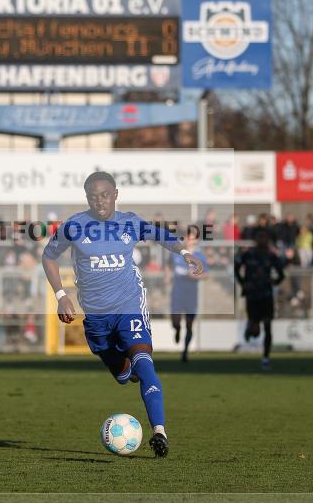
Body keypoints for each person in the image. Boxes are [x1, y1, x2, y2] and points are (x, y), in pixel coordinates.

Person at [41, 172, 203, 458]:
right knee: (122, 373)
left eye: (104, 195)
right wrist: (61, 295)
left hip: (130, 305)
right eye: (93, 196)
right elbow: (49, 256)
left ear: (115, 194)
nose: (99, 201)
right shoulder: (75, 226)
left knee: (145, 364)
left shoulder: (130, 222)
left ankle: (160, 432)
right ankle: (127, 369)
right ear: (87, 197)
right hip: (97, 317)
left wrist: (185, 253)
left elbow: (161, 235)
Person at [234, 229, 285, 371]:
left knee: (268, 326)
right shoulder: (248, 255)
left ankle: (266, 358)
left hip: (266, 296)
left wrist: (275, 281)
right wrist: (243, 282)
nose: (262, 240)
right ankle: (250, 329)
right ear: (256, 240)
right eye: (260, 238)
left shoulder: (271, 256)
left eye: (265, 238)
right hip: (252, 296)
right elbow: (236, 268)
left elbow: (281, 274)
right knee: (255, 330)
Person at [166, 230, 208, 363]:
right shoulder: (177, 254)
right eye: (188, 238)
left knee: (189, 325)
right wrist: (167, 276)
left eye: (192, 238)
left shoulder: (200, 257)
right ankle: (177, 329)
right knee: (175, 321)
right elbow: (168, 265)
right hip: (177, 293)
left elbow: (206, 275)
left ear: (196, 241)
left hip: (191, 294)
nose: (189, 240)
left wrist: (196, 275)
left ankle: (185, 351)